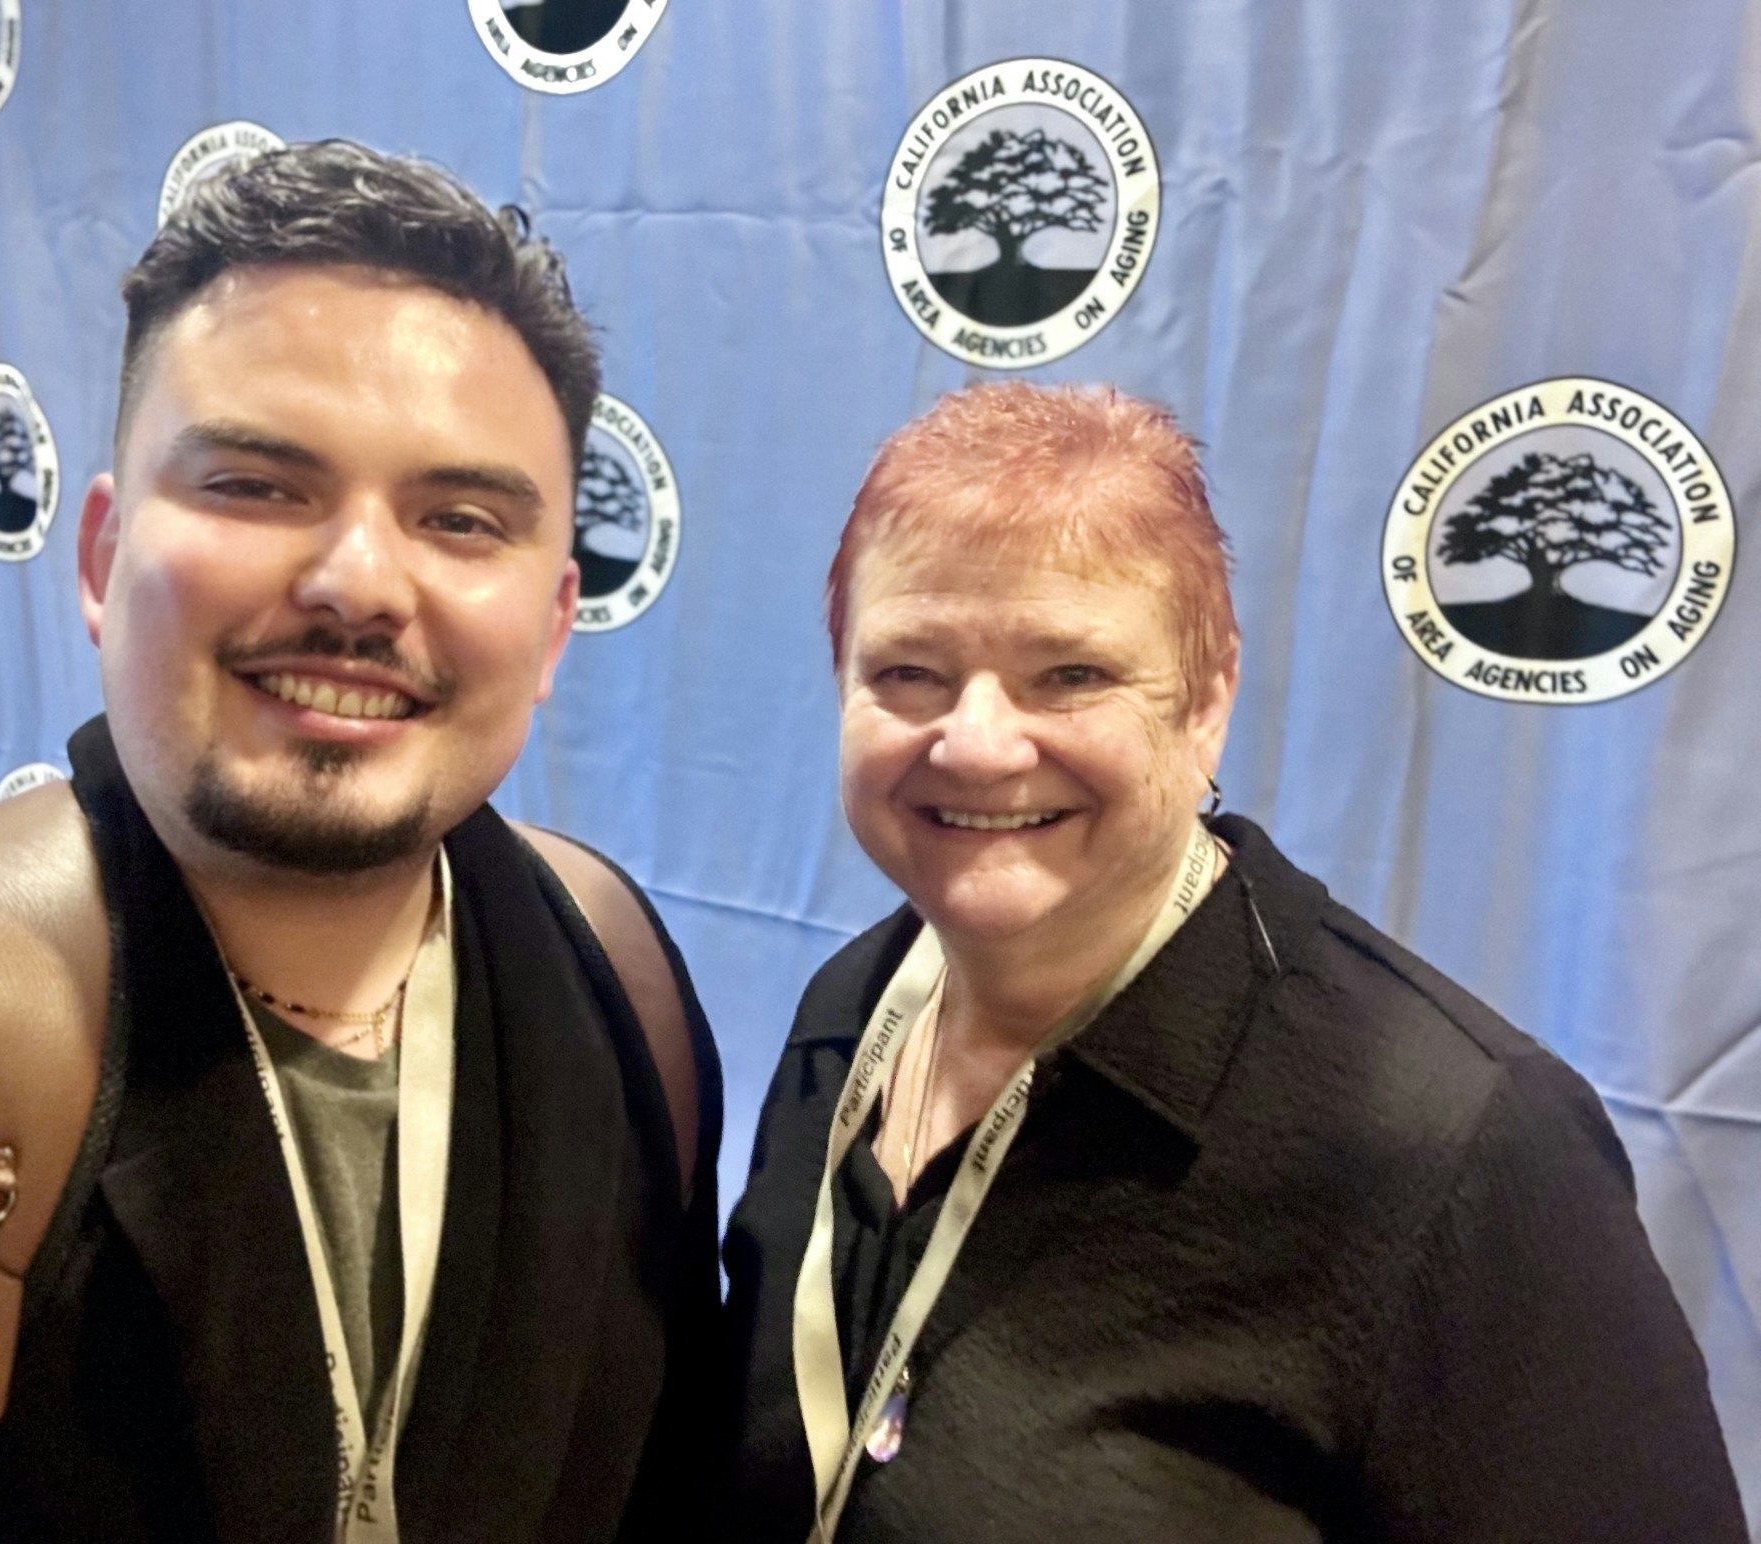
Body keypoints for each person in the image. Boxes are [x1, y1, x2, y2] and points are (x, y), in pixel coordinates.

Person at [0, 141, 722, 1542]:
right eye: (256, 486)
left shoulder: (624, 994)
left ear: (555, 624)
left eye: (460, 518)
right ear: (98, 561)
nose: (361, 582)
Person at [720, 382, 1744, 1542]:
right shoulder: (849, 1013)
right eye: (910, 671)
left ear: (1207, 699)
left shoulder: (1461, 1151)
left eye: (1072, 674)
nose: (979, 741)